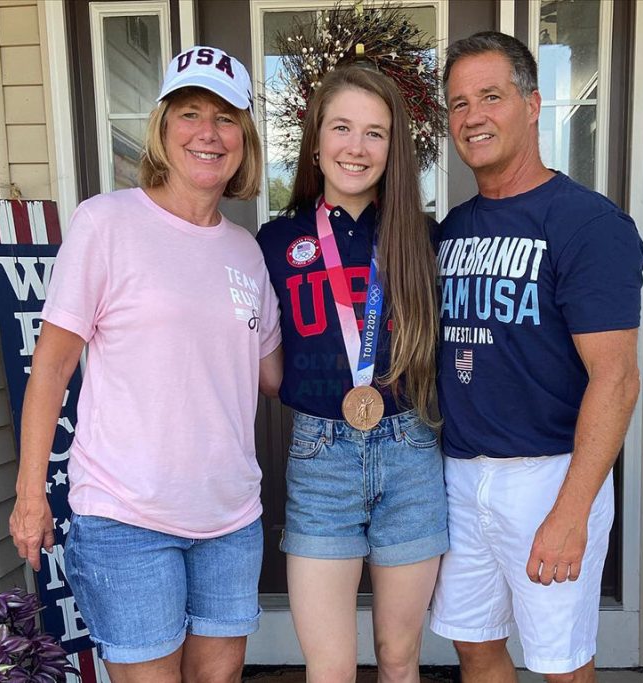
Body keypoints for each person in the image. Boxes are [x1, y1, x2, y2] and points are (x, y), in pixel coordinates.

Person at [8, 46, 281, 683]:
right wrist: (30, 497)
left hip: (231, 520)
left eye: (227, 118)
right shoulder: (106, 223)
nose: (208, 134)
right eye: (190, 113)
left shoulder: (245, 251)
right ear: (161, 128)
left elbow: (272, 375)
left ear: (244, 141)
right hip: (127, 518)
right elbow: (50, 369)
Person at [429, 32, 643, 683]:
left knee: (559, 662)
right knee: (474, 645)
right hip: (461, 476)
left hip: (549, 473)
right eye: (459, 102)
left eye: (490, 96)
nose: (473, 116)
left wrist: (571, 509)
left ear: (531, 104)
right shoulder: (450, 231)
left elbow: (618, 378)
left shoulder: (587, 223)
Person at [256, 65, 447, 683]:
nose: (356, 148)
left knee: (399, 658)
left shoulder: (423, 236)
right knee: (331, 666)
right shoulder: (276, 241)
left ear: (393, 150)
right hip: (321, 458)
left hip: (410, 451)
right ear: (316, 141)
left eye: (375, 133)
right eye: (342, 128)